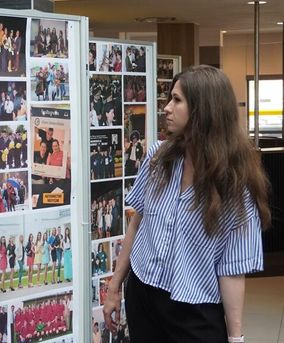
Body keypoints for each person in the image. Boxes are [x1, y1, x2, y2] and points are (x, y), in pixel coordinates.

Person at [103, 65, 271, 343]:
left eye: (177, 100)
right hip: (143, 295)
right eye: (169, 98)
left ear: (204, 110)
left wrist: (236, 338)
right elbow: (137, 224)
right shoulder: (158, 158)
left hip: (195, 311)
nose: (167, 108)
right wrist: (113, 288)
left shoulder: (234, 186)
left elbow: (232, 270)